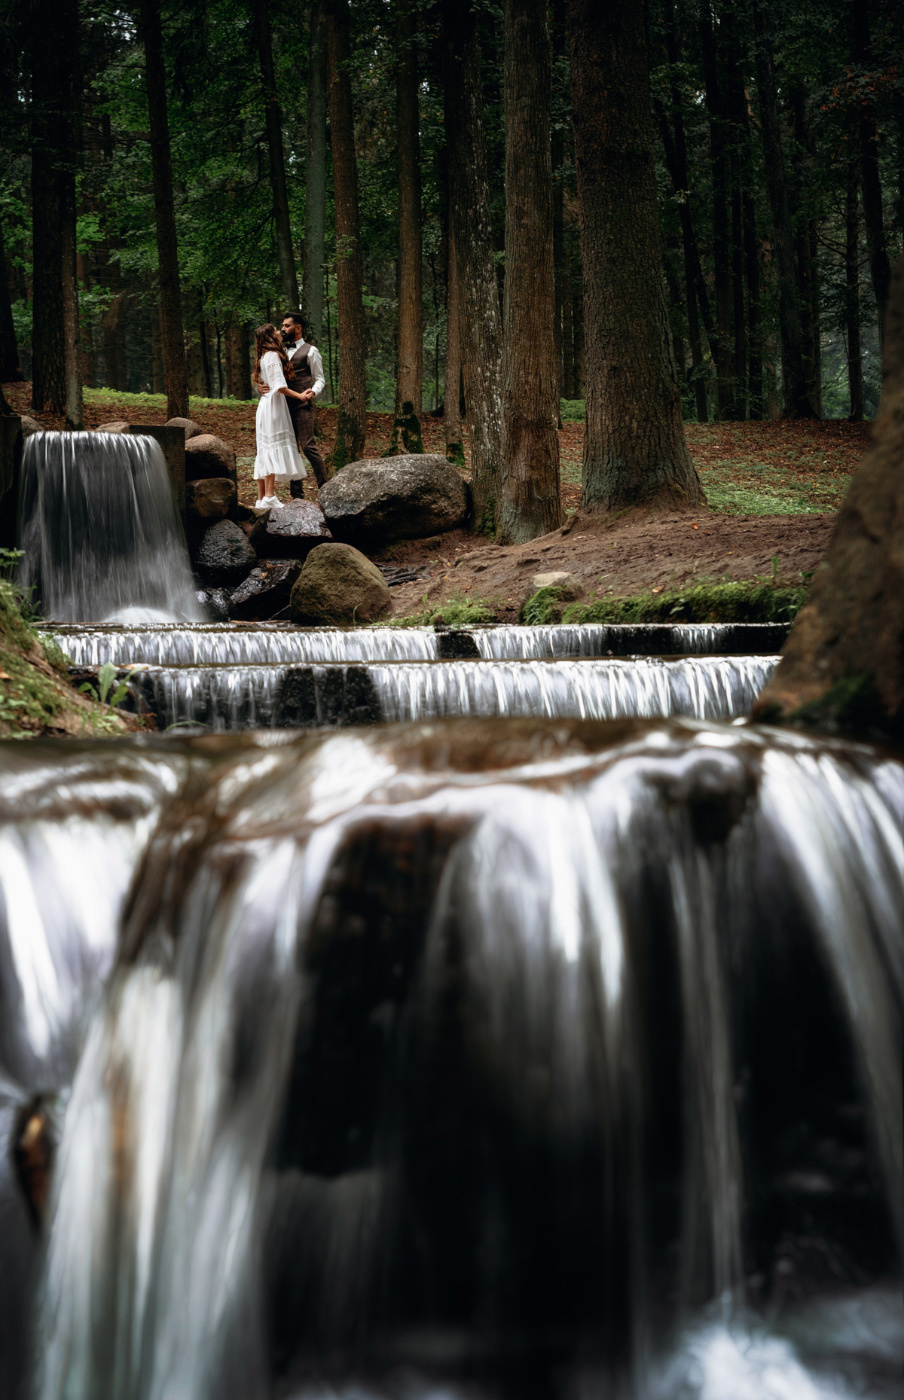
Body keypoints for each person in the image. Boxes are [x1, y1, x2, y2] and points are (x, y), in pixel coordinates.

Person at [250, 324, 308, 511]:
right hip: (274, 406)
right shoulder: (273, 356)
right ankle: (269, 495)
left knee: (265, 449)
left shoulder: (263, 356)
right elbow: (279, 386)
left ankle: (261, 498)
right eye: (275, 330)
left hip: (265, 405)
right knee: (273, 447)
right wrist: (300, 396)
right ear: (269, 336)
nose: (278, 332)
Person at [279, 311, 328, 490]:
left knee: (308, 446)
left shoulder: (311, 350)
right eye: (283, 326)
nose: (283, 329)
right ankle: (297, 495)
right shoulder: (281, 351)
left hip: (302, 405)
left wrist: (312, 392)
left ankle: (325, 487)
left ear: (298, 328)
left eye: (287, 326)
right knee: (292, 449)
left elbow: (320, 379)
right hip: (283, 407)